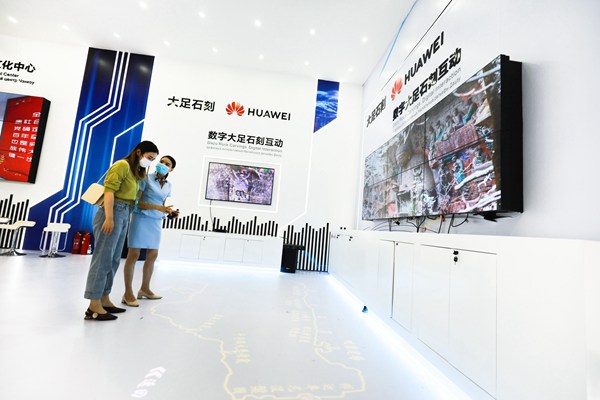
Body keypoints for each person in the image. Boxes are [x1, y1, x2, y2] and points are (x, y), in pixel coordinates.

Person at [84, 140, 159, 321]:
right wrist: (109, 217)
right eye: (149, 157)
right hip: (112, 212)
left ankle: (104, 298)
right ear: (139, 152)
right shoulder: (122, 165)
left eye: (153, 159)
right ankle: (93, 305)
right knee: (103, 259)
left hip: (125, 213)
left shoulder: (135, 171)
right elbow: (109, 191)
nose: (150, 162)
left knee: (114, 259)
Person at [121, 155, 178, 307]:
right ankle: (127, 293)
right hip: (141, 218)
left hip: (156, 221)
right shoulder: (145, 178)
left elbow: (162, 205)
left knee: (153, 255)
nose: (162, 164)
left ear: (171, 169)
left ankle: (145, 289)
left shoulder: (169, 185)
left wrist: (169, 212)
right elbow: (136, 202)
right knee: (134, 254)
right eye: (161, 161)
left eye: (167, 164)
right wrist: (159, 208)